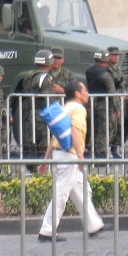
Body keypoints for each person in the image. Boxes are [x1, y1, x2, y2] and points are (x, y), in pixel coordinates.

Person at [37, 81, 107, 241]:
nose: (87, 93)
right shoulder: (78, 109)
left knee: (81, 190)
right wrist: (80, 157)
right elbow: (75, 132)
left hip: (60, 153)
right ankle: (46, 231)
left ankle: (94, 225)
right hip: (70, 155)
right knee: (61, 192)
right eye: (85, 90)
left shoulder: (64, 108)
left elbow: (55, 137)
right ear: (77, 93)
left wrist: (45, 160)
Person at [18, 49, 55, 160]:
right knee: (43, 145)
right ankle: (42, 172)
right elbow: (48, 99)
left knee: (30, 143)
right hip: (41, 116)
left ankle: (32, 171)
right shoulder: (45, 78)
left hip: (27, 113)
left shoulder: (28, 76)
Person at [85, 51, 117, 158]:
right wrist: (116, 107)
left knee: (93, 128)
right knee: (104, 129)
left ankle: (91, 152)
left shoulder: (89, 71)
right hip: (104, 104)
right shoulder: (106, 74)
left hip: (92, 103)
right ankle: (101, 154)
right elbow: (112, 92)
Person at [106, 46, 128, 157]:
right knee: (111, 126)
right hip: (110, 101)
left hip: (119, 100)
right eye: (114, 55)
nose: (116, 57)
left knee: (120, 126)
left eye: (117, 55)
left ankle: (115, 148)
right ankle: (107, 149)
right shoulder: (106, 68)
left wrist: (123, 91)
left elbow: (121, 82)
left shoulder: (117, 68)